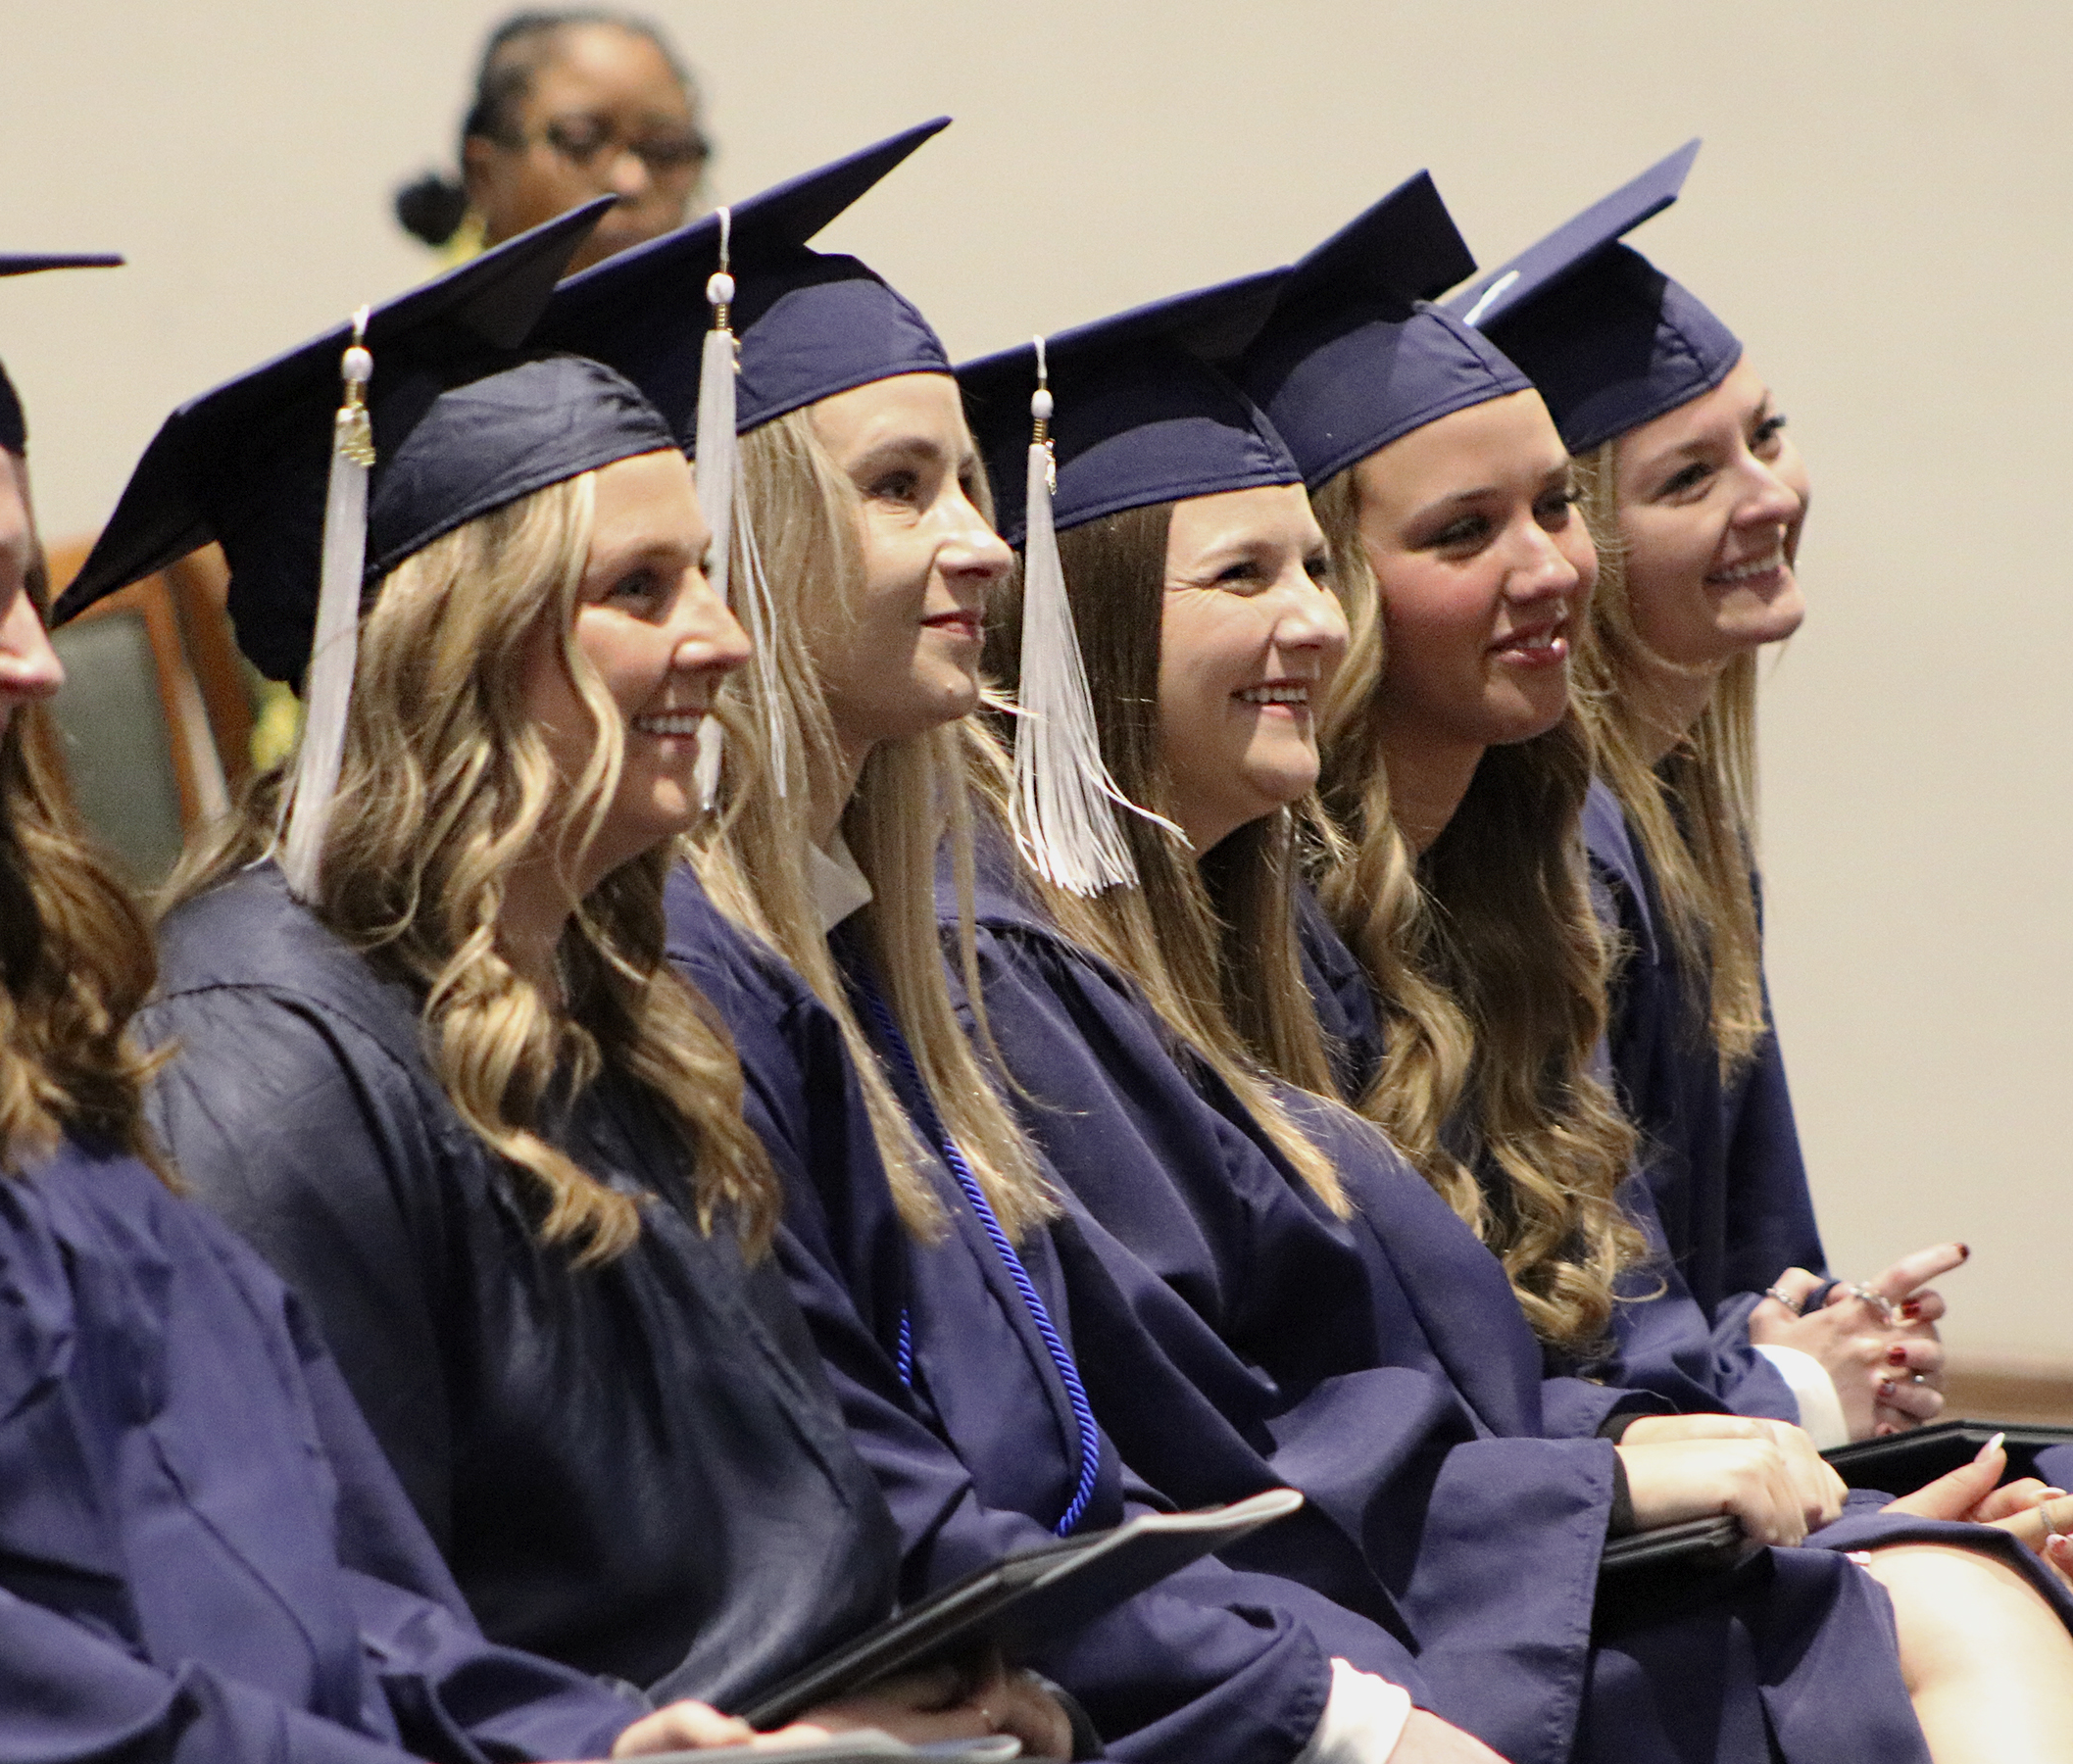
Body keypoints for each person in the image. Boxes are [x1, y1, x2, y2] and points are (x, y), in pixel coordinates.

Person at [0, 247, 806, 1763]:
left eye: (27, 587)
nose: (38, 661)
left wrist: (575, 1741)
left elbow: (292, 1540)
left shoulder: (17, 1041)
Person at [536, 126, 1505, 1763]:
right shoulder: (708, 979)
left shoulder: (864, 956)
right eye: (904, 488)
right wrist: (1326, 1715)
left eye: (975, 485)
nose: (986, 545)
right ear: (751, 539)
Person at [56, 204, 1063, 1754]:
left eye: (708, 577)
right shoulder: (259, 1063)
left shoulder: (619, 1009)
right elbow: (305, 1601)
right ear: (454, 647)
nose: (725, 643)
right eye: (641, 590)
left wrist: (980, 1685)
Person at [1205, 174, 2073, 1761]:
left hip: (1596, 1518)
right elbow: (1356, 1429)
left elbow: (1616, 1318)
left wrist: (1805, 1425)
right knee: (1969, 1600)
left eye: (1552, 510)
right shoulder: (1258, 949)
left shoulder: (1529, 870)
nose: (1549, 568)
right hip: (1444, 1603)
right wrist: (1791, 1427)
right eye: (1470, 531)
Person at [1462, 142, 1959, 1446]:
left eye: (1767, 435)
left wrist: (1820, 1333)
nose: (1770, 496)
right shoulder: (1555, 854)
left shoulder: (1679, 815)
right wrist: (1782, 1380)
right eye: (1690, 478)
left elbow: (1733, 1254)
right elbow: (1582, 1308)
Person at [395, 10, 709, 272]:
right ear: (485, 175)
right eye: (581, 142)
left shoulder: (727, 333)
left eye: (668, 150)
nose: (631, 182)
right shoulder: (421, 344)